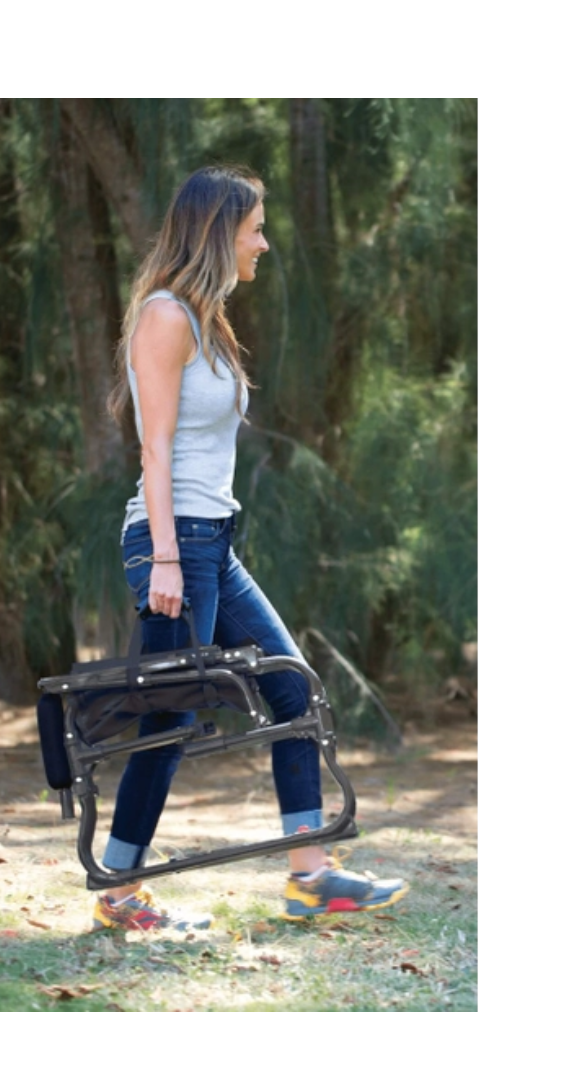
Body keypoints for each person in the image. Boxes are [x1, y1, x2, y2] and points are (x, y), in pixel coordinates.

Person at [92, 165, 409, 932]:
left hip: (213, 541)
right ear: (217, 233)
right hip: (174, 544)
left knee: (292, 689)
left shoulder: (209, 321)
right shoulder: (165, 316)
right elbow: (154, 449)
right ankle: (120, 894)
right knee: (170, 722)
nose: (263, 244)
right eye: (255, 230)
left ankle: (311, 876)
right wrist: (166, 559)